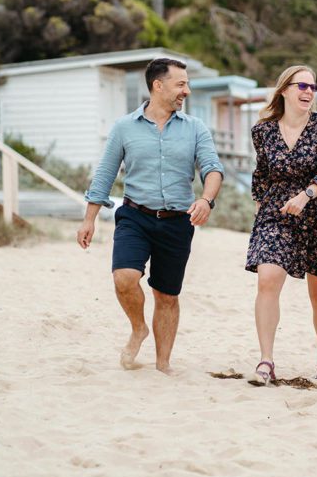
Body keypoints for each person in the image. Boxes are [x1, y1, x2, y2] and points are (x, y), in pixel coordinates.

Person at [77, 58, 224, 374]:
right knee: (124, 278)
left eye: (186, 83)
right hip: (135, 216)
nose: (186, 90)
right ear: (158, 85)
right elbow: (105, 173)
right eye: (180, 83)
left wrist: (206, 200)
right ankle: (138, 328)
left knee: (167, 295)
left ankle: (163, 364)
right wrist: (89, 217)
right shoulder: (124, 127)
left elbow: (212, 168)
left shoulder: (195, 128)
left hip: (177, 222)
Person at [246, 66, 317, 385]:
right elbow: (261, 174)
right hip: (277, 213)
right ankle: (266, 361)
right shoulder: (262, 131)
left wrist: (307, 194)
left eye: (313, 87)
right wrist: (264, 208)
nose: (308, 92)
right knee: (268, 279)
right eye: (301, 85)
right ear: (284, 90)